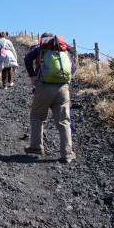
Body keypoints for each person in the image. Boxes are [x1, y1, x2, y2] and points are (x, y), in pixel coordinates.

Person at [24, 32, 77, 163]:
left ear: (42, 39)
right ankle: (67, 154)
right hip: (63, 88)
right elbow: (74, 67)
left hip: (44, 86)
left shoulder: (41, 47)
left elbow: (27, 59)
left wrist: (33, 76)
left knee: (37, 117)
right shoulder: (65, 48)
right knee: (64, 121)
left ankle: (36, 147)